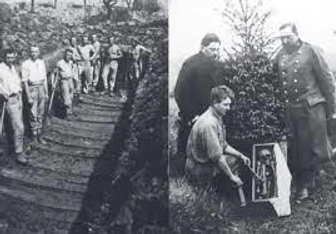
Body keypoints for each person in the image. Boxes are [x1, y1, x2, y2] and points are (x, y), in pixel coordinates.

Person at [275, 23, 336, 202]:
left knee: (312, 146)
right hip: (291, 108)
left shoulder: (311, 51)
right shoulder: (280, 54)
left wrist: (333, 110)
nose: (285, 41)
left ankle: (308, 183)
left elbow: (327, 81)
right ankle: (303, 180)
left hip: (311, 107)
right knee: (297, 147)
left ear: (297, 35)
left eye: (288, 37)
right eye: (282, 38)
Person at [185, 85, 251, 190]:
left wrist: (241, 155)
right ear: (215, 103)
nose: (228, 108)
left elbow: (223, 145)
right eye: (225, 105)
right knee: (228, 170)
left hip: (205, 162)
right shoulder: (209, 123)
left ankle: (226, 190)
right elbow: (217, 157)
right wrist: (232, 177)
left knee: (237, 160)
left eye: (229, 105)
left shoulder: (217, 116)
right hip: (199, 168)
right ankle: (222, 193)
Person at [174, 33, 224, 166]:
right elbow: (179, 92)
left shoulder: (218, 66)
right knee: (189, 153)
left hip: (211, 115)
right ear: (202, 47)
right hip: (194, 115)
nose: (215, 53)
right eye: (212, 50)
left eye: (218, 50)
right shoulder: (190, 64)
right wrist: (191, 115)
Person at [0, 49, 28, 163]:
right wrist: (2, 92)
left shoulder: (12, 67)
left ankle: (15, 148)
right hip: (10, 100)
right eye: (8, 57)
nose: (10, 59)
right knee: (19, 127)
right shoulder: (1, 68)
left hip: (18, 97)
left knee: (17, 125)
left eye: (12, 57)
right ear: (3, 58)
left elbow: (16, 81)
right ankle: (19, 153)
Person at [21, 46, 48, 145]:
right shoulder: (25, 64)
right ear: (29, 53)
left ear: (39, 52)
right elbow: (24, 81)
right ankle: (34, 135)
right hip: (32, 89)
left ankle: (40, 134)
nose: (34, 54)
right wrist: (28, 96)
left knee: (41, 112)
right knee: (33, 113)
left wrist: (46, 93)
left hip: (41, 88)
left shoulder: (41, 62)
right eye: (32, 52)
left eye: (36, 52)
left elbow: (44, 78)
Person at [53, 48, 75, 118]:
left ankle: (69, 111)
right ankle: (67, 114)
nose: (68, 56)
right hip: (64, 81)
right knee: (66, 98)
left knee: (71, 96)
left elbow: (72, 70)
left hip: (70, 80)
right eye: (67, 55)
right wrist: (53, 83)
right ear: (64, 54)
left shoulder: (71, 62)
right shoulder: (60, 63)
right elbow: (54, 73)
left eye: (70, 55)